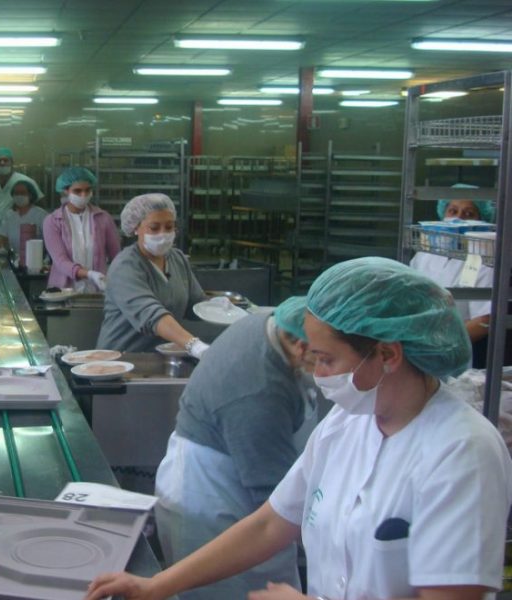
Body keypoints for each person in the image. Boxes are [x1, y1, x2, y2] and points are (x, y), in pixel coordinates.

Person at [86, 257, 512, 600]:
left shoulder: (462, 453)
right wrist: (157, 586)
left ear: (388, 354)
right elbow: (271, 523)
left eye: (327, 360)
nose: (319, 374)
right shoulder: (347, 425)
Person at [154, 296, 323, 600]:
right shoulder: (258, 393)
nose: (332, 371)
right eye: (327, 359)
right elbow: (277, 504)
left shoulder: (272, 319)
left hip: (232, 486)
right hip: (216, 506)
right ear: (301, 347)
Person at [96, 193, 206, 356]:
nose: (163, 234)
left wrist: (227, 311)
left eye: (169, 227)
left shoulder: (178, 260)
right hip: (120, 359)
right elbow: (150, 314)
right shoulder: (125, 266)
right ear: (135, 228)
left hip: (159, 358)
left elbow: (196, 306)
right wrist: (194, 345)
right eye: (154, 228)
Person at [410, 188, 497, 368]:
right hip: (417, 342)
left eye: (468, 213)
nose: (459, 218)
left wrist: (440, 344)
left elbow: (485, 320)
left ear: (481, 221)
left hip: (457, 351)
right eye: (453, 211)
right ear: (442, 215)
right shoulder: (426, 253)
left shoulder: (483, 259)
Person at [43, 167, 120, 293]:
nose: (83, 195)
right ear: (66, 191)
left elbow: (116, 256)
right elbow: (60, 260)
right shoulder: (52, 222)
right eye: (77, 191)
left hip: (97, 292)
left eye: (87, 190)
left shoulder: (103, 218)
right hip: (63, 291)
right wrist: (89, 274)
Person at [0, 147, 44, 241]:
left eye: (5, 160)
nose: (2, 163)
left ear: (12, 163)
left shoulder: (25, 181)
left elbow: (40, 204)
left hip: (18, 232)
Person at [0, 176, 48, 255]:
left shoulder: (41, 215)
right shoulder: (9, 214)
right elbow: (2, 236)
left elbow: (51, 239)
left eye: (23, 193)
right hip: (14, 259)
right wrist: (1, 248)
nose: (19, 196)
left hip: (36, 260)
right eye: (16, 193)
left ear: (31, 195)